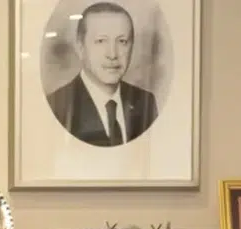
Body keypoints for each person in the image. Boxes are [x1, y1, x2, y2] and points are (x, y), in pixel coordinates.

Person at [46, 1, 158, 147]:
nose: (112, 54)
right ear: (80, 47)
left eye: (122, 41)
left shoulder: (145, 102)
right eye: (101, 41)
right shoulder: (58, 106)